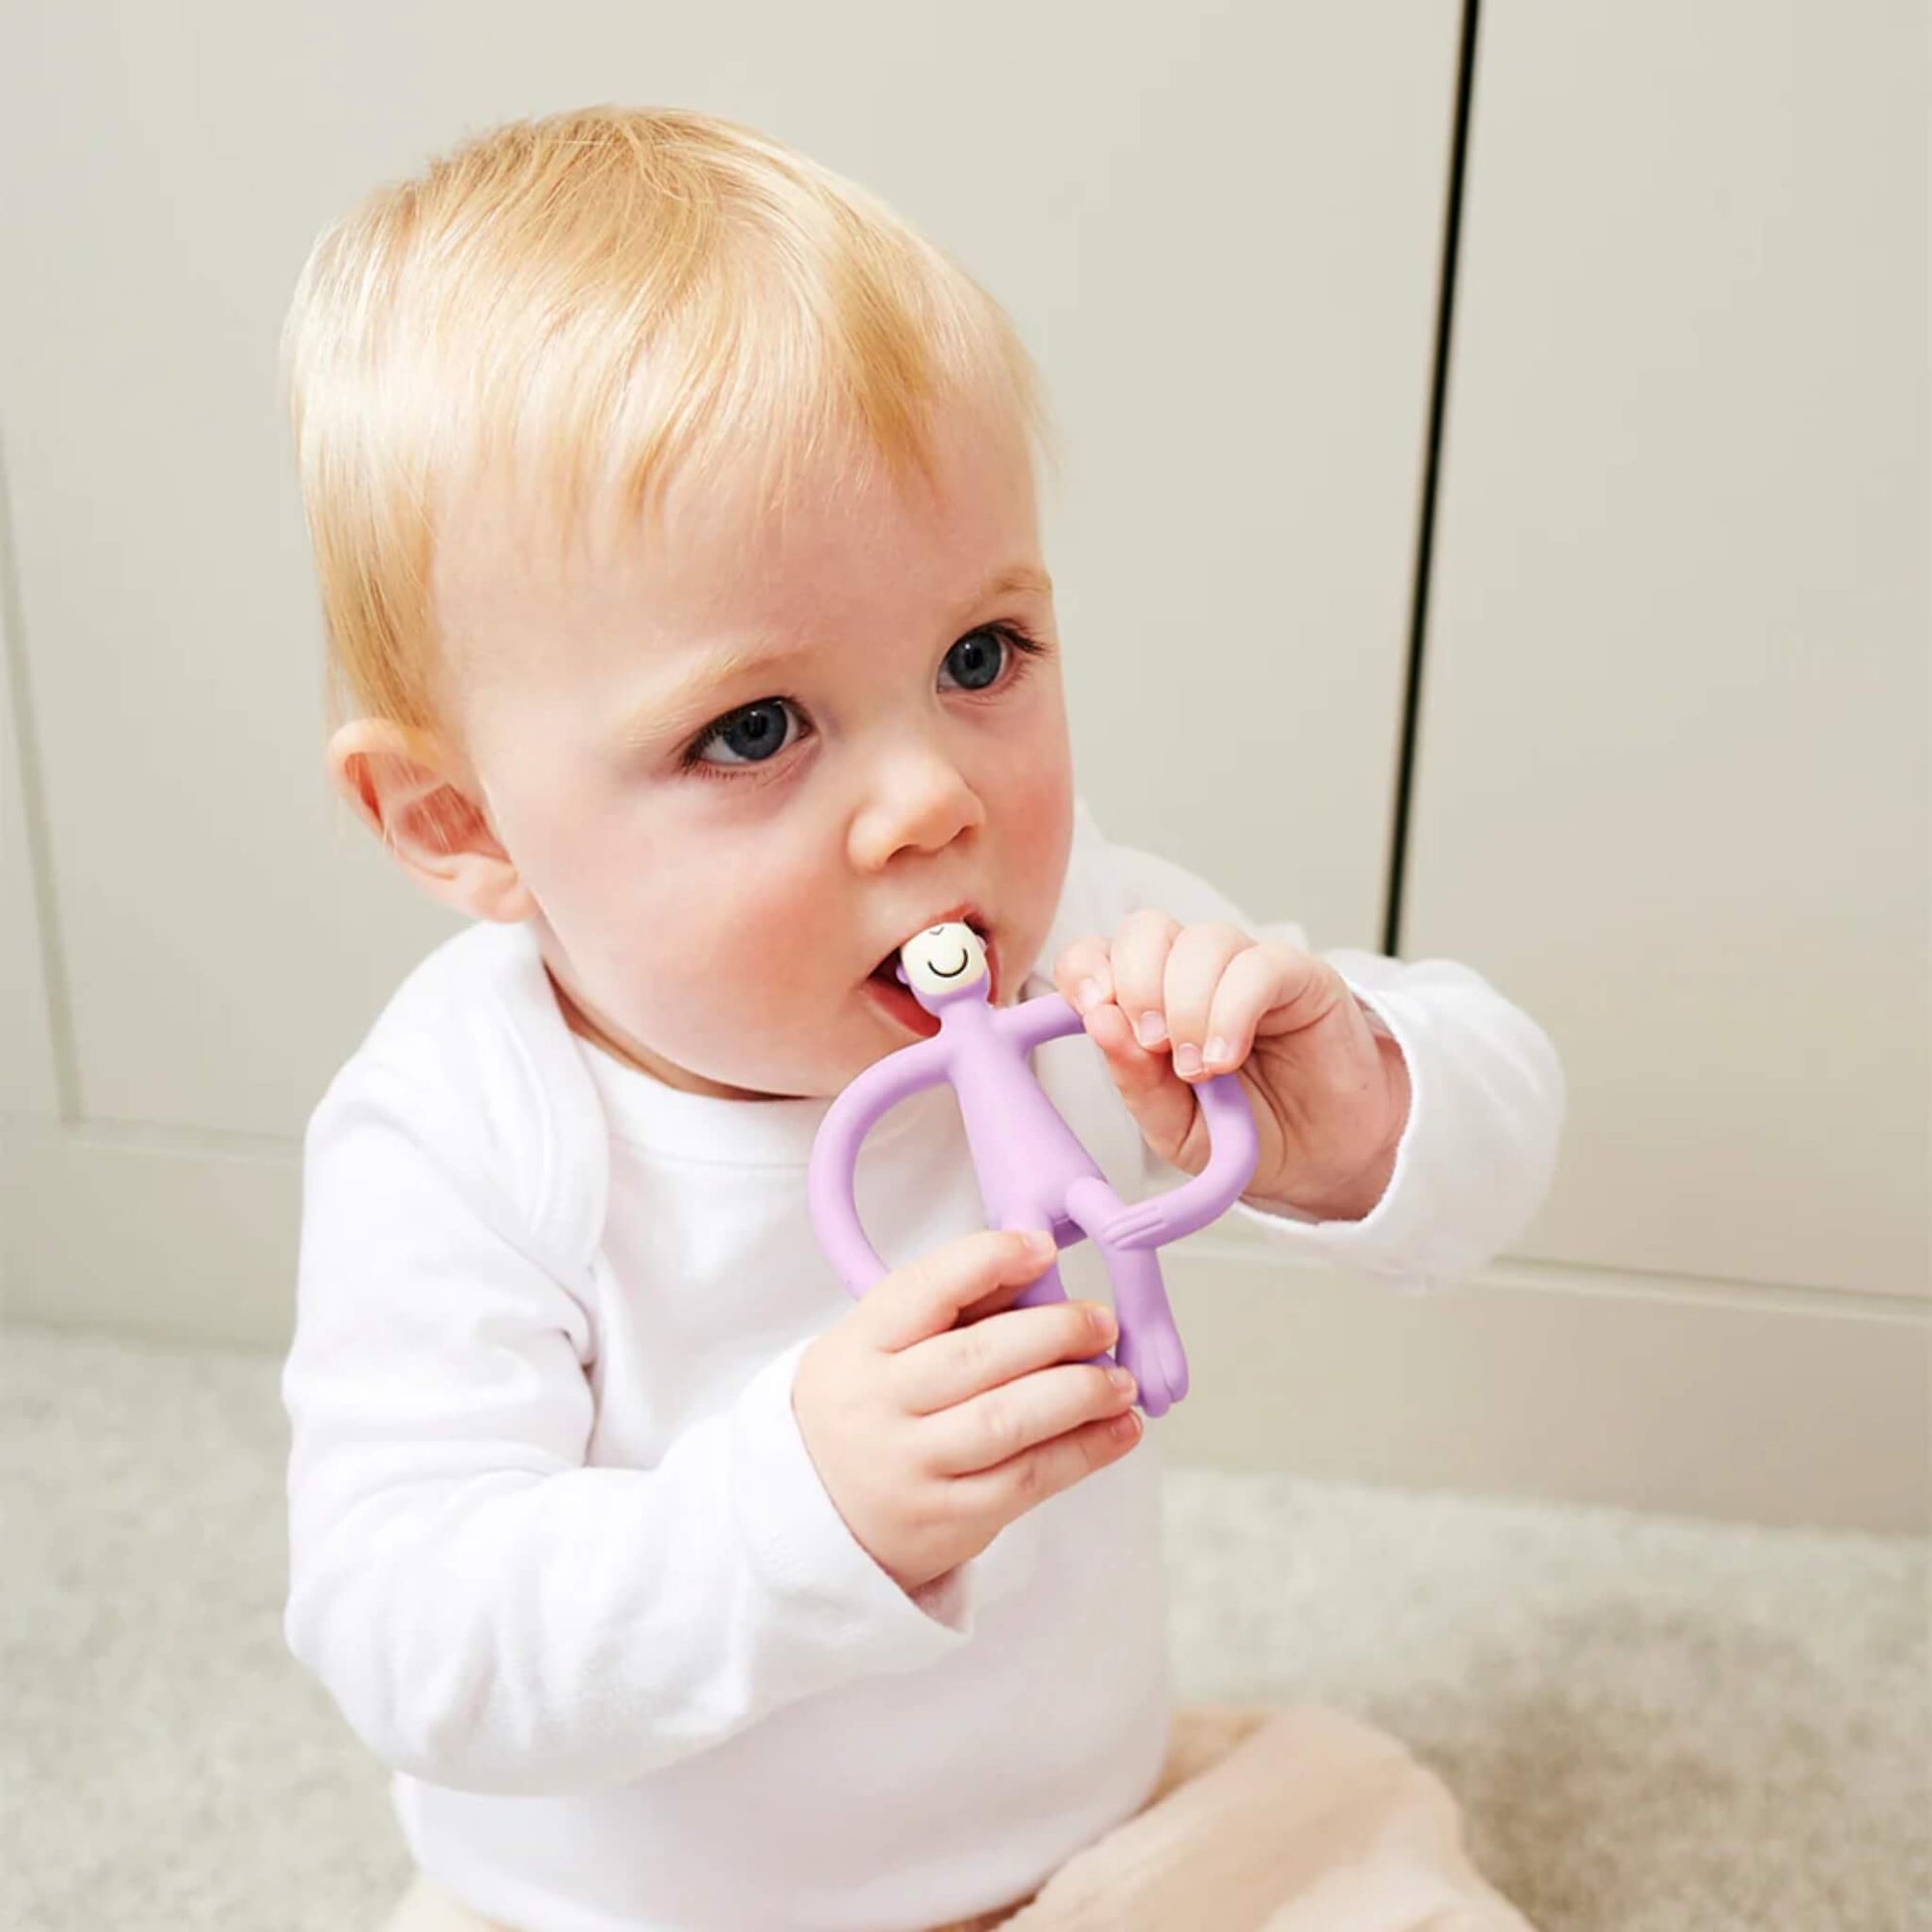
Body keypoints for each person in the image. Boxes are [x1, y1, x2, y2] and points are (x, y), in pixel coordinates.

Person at [279, 104, 1565, 1932]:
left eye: (980, 661)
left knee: (1357, 1862)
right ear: (463, 824)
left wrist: (1345, 1099)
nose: (928, 805)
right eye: (753, 729)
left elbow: (1502, 1124)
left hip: (1081, 1845)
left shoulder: (1083, 939)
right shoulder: (461, 1122)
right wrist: (799, 1506)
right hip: (625, 1910)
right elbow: (408, 1632)